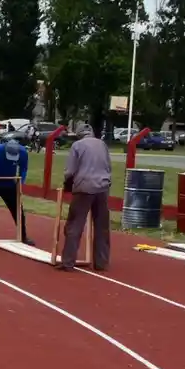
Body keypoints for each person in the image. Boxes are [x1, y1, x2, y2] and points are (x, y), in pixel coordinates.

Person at [59, 115, 113, 271]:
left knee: (75, 225)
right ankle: (101, 262)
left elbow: (70, 172)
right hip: (102, 188)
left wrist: (68, 186)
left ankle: (68, 262)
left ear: (79, 134)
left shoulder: (77, 146)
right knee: (102, 227)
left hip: (84, 188)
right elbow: (108, 167)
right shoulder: (102, 144)